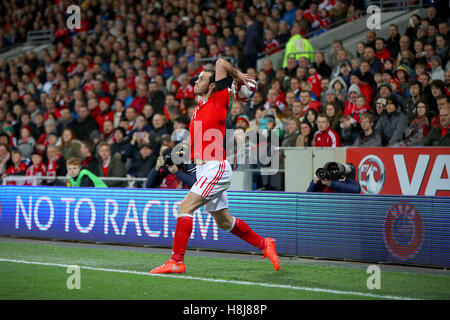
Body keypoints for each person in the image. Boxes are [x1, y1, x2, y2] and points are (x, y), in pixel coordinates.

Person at [151, 58, 280, 274]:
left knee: (184, 209)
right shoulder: (198, 108)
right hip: (204, 168)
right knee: (224, 221)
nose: (196, 81)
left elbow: (220, 62)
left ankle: (177, 261)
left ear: (213, 85)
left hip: (215, 168)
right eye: (197, 78)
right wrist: (174, 153)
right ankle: (265, 244)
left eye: (201, 78)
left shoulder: (219, 99)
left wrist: (237, 75)